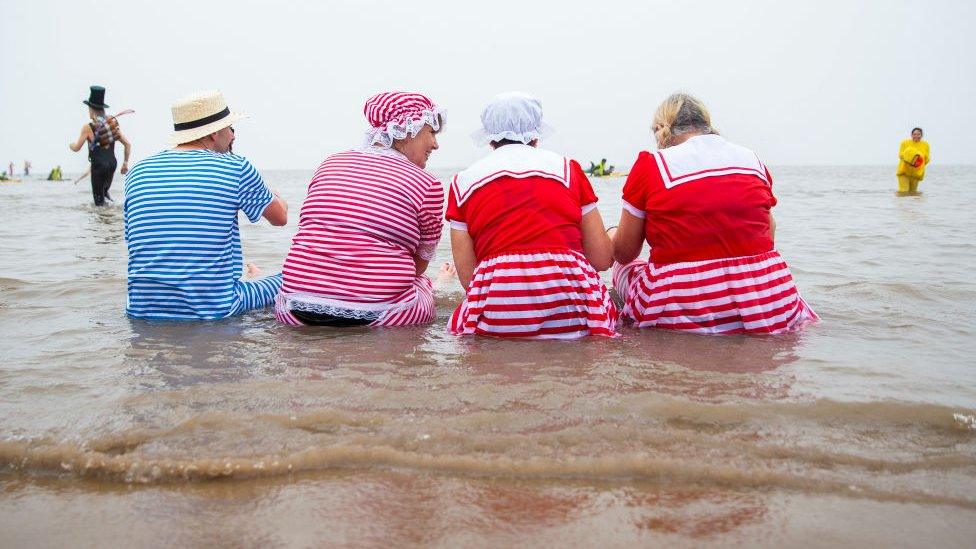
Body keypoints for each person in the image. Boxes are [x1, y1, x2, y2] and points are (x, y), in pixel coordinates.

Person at [610, 92, 817, 335]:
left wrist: (611, 233)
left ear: (660, 129)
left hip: (681, 307)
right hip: (769, 301)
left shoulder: (651, 164)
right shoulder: (751, 158)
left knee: (622, 267)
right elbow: (768, 234)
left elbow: (624, 252)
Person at [447, 92, 617, 339]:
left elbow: (468, 278)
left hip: (500, 313)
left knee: (460, 328)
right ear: (535, 134)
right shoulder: (568, 170)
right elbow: (601, 259)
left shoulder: (461, 182)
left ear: (490, 139)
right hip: (571, 306)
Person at [275, 91, 446, 327]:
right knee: (424, 284)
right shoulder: (427, 184)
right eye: (432, 132)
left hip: (293, 309)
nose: (436, 144)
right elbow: (419, 264)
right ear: (409, 130)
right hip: (382, 317)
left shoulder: (331, 163)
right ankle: (440, 283)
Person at [123, 90, 288, 320]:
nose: (233, 135)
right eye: (231, 128)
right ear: (213, 134)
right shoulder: (236, 167)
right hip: (214, 310)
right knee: (293, 277)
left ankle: (251, 281)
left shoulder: (137, 172)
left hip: (141, 310)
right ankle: (255, 281)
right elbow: (280, 218)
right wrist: (277, 197)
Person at [69, 86, 132, 205]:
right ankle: (111, 218)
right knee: (105, 196)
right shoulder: (111, 124)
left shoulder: (88, 127)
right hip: (112, 164)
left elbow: (76, 148)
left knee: (98, 203)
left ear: (91, 109)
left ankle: (102, 221)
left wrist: (70, 145)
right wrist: (125, 164)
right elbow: (128, 144)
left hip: (98, 166)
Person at [896, 127, 930, 194]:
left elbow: (927, 159)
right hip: (904, 171)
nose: (916, 136)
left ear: (921, 135)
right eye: (914, 134)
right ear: (911, 135)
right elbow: (901, 155)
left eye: (918, 134)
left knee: (913, 193)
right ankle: (902, 204)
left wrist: (919, 161)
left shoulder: (926, 145)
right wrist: (912, 158)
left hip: (916, 173)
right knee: (904, 192)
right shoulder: (905, 143)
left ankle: (913, 205)